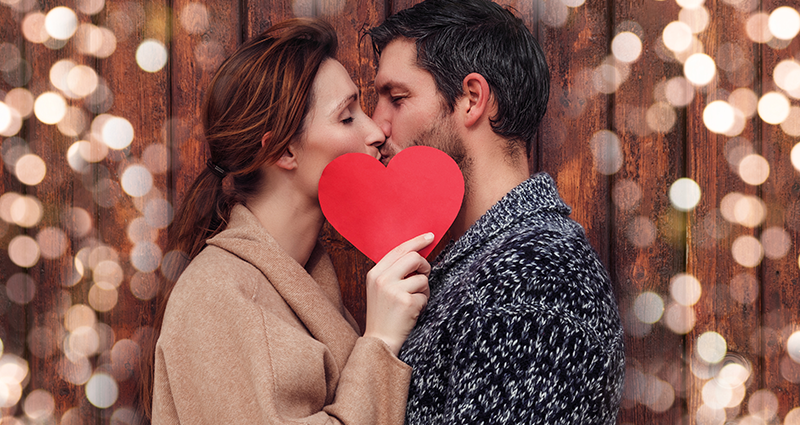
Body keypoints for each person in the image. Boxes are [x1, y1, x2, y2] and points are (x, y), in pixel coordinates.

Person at [141, 18, 433, 424]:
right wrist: (380, 343)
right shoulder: (216, 296)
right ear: (284, 151)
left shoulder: (305, 279)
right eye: (347, 117)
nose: (375, 132)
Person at [368, 0, 625, 423]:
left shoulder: (537, 279)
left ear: (471, 99)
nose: (377, 126)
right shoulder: (490, 265)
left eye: (396, 98)